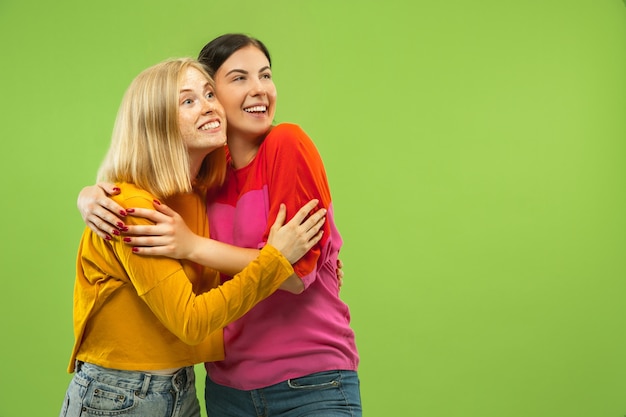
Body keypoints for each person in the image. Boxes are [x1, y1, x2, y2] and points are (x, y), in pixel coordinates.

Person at [78, 33, 361, 417]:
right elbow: (141, 168)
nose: (259, 89)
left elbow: (295, 276)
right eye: (239, 79)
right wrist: (91, 194)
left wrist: (193, 245)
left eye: (265, 75)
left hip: (307, 380)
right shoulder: (199, 179)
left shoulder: (280, 146)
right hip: (221, 388)